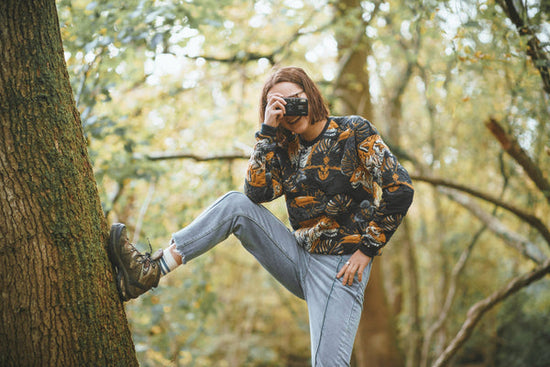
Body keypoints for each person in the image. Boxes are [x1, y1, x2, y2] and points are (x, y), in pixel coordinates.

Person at [108, 66, 414, 366]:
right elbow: (255, 194)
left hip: (340, 268)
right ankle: (151, 270)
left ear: (311, 94)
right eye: (279, 106)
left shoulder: (354, 130)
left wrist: (366, 250)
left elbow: (400, 189)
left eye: (294, 99)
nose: (290, 110)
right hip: (297, 255)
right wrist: (268, 131)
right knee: (235, 205)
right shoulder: (282, 147)